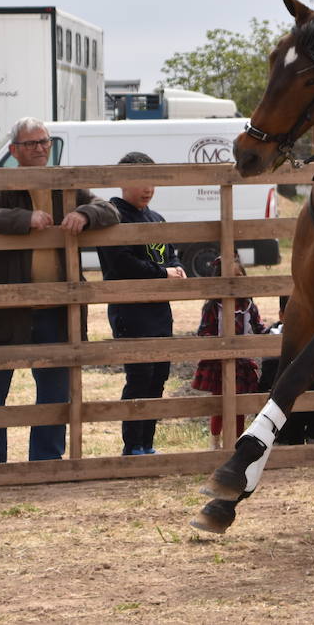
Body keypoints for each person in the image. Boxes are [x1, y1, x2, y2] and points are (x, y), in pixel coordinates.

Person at [0, 116, 118, 464]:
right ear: (14, 150)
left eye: (44, 141)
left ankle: (46, 459)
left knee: (54, 390)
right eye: (31, 143)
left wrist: (87, 214)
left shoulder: (65, 184)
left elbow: (109, 209)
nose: (39, 148)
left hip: (57, 310)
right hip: (5, 310)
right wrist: (22, 219)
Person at [95, 151, 185, 456]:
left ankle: (148, 442)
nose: (148, 188)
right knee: (139, 378)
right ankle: (132, 444)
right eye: (140, 181)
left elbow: (170, 253)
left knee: (159, 376)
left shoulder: (156, 218)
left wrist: (175, 267)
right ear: (122, 181)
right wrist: (164, 272)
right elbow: (120, 263)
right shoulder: (113, 216)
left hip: (160, 311)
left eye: (152, 181)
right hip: (131, 311)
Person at [192, 254, 268, 439]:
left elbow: (259, 329)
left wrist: (272, 334)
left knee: (239, 404)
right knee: (220, 402)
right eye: (230, 277)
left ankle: (237, 440)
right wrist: (217, 344)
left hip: (242, 361)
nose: (235, 281)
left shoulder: (249, 306)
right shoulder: (213, 307)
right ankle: (215, 439)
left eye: (239, 276)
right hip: (218, 360)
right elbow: (203, 331)